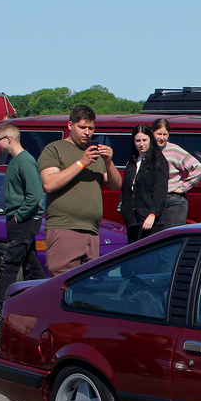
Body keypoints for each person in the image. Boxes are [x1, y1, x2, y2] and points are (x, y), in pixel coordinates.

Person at [38, 104, 122, 275]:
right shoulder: (55, 149)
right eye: (82, 127)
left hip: (92, 230)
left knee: (86, 284)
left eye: (91, 128)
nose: (87, 132)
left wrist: (108, 162)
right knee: (63, 281)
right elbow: (49, 183)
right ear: (70, 125)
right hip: (65, 227)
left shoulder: (94, 154)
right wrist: (81, 163)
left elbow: (116, 185)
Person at [0, 121, 47, 323]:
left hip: (24, 220)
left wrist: (20, 215)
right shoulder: (15, 161)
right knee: (31, 265)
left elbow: (35, 195)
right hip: (19, 219)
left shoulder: (25, 161)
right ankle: (39, 306)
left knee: (10, 264)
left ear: (9, 139)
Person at [150, 118, 201, 229]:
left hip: (173, 200)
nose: (162, 138)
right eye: (159, 134)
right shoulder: (147, 150)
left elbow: (198, 168)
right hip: (153, 199)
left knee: (171, 236)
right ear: (152, 133)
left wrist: (183, 187)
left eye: (165, 134)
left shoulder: (174, 150)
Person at [120, 124, 168, 242]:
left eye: (144, 140)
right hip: (132, 219)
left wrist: (153, 214)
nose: (141, 144)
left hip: (150, 220)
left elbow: (160, 191)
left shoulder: (158, 161)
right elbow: (126, 187)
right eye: (138, 140)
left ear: (150, 140)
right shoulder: (132, 162)